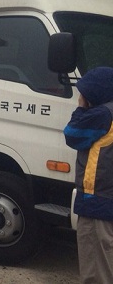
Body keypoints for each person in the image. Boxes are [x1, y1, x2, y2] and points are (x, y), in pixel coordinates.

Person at [63, 67, 113, 283]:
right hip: (107, 200)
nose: (80, 97)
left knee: (95, 272)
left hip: (97, 203)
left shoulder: (102, 115)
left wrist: (81, 108)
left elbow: (72, 134)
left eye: (83, 93)